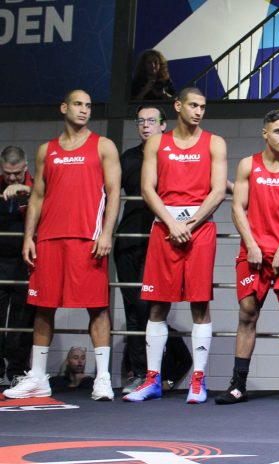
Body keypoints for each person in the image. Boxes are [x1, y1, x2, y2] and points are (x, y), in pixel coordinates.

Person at [3, 89, 121, 401]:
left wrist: (107, 233)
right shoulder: (47, 150)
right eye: (79, 104)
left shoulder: (104, 146)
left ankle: (103, 378)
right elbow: (38, 195)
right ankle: (39, 377)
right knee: (43, 307)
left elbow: (114, 193)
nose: (84, 110)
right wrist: (30, 236)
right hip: (50, 239)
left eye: (89, 106)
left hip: (87, 239)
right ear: (64, 107)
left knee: (97, 308)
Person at [122, 87, 227, 404]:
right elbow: (147, 188)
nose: (198, 111)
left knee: (200, 304)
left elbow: (219, 190)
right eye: (193, 105)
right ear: (178, 106)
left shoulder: (215, 143)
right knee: (157, 304)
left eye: (203, 106)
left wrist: (189, 224)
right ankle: (152, 380)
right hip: (164, 229)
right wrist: (171, 222)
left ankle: (198, 380)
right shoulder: (157, 142)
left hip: (200, 230)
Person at [215, 110, 279, 406]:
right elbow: (238, 208)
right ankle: (238, 384)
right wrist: (251, 244)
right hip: (253, 250)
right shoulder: (248, 166)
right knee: (247, 312)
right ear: (265, 133)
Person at [114, 106, 167, 394]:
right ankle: (138, 373)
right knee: (132, 307)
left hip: (160, 239)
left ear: (163, 124)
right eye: (141, 122)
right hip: (128, 239)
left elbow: (212, 182)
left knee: (152, 306)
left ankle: (157, 371)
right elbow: (104, 190)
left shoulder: (171, 154)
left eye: (151, 121)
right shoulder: (129, 158)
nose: (146, 126)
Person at [0, 146, 34, 384]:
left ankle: (17, 372)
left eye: (17, 174)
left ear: (26, 167)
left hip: (26, 261)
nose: (12, 178)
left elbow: (53, 199)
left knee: (22, 320)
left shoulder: (35, 185)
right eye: (7, 173)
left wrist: (27, 190)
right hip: (0, 260)